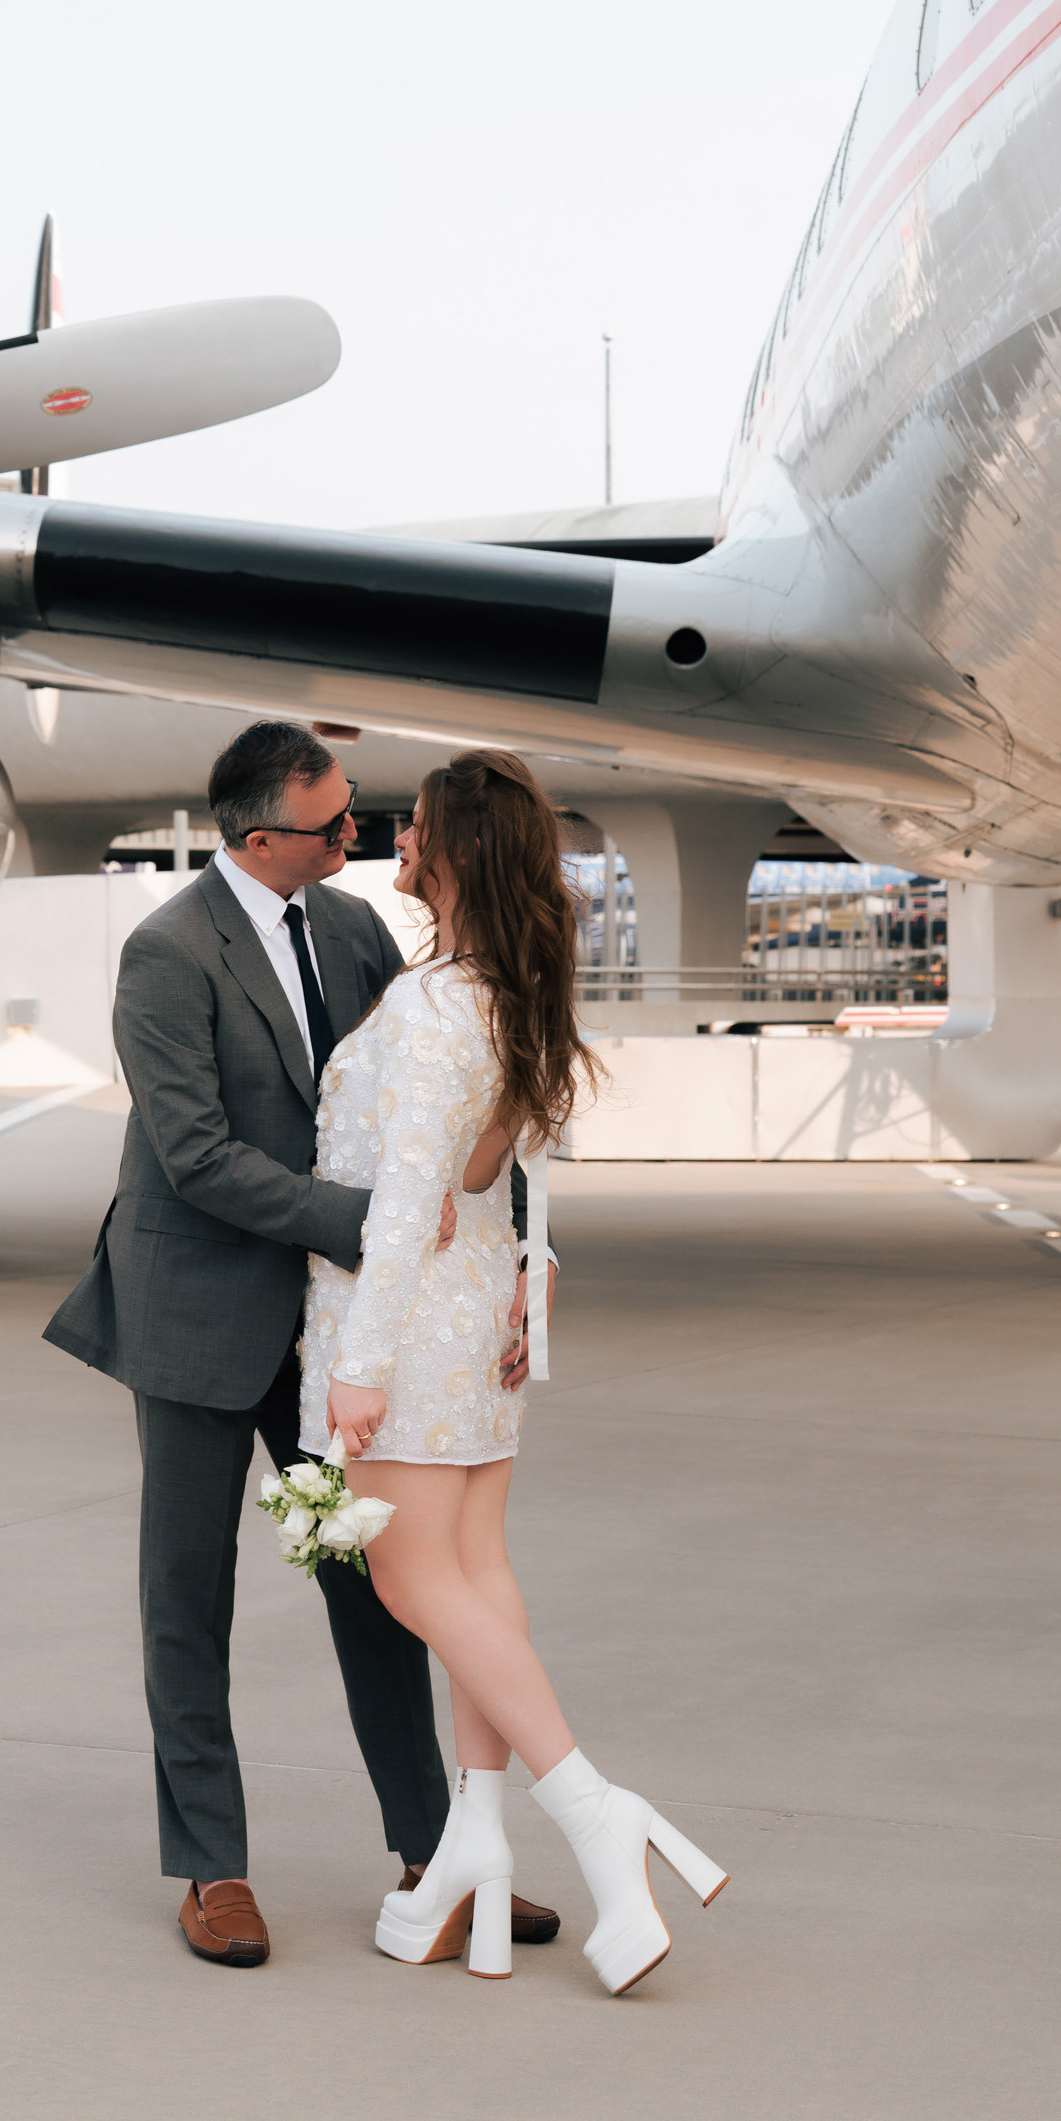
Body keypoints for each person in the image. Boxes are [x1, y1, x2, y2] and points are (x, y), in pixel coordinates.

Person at [44, 719, 558, 1968]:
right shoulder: (164, 954)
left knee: (371, 1580)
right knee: (190, 1592)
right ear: (260, 832)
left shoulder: (356, 931)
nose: (359, 836)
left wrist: (512, 1268)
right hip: (199, 1310)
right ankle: (211, 1867)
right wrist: (378, 1225)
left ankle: (434, 1853)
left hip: (337, 1325)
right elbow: (196, 1154)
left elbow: (461, 1103)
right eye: (335, 823)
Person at [304, 748, 729, 1993]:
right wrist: (514, 1314)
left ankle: (595, 1809)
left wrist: (357, 1364)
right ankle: (473, 1845)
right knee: (477, 1576)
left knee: (409, 1578)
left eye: (416, 826)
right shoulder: (511, 994)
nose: (397, 840)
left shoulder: (440, 1005)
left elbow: (401, 1206)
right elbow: (487, 1183)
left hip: (412, 1329)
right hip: (474, 1320)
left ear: (455, 853)